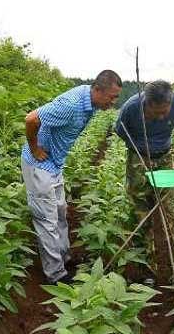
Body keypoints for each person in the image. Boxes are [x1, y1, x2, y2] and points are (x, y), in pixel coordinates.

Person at [22, 70, 122, 285]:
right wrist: (35, 148)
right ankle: (56, 275)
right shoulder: (72, 103)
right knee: (46, 220)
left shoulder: (90, 102)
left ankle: (64, 257)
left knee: (60, 212)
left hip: (54, 164)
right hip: (40, 165)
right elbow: (31, 118)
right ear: (97, 90)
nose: (113, 102)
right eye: (111, 97)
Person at [114, 80, 174, 282]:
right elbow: (120, 131)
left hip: (164, 158)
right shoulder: (131, 108)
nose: (162, 116)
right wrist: (139, 151)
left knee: (169, 213)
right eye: (157, 112)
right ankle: (145, 269)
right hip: (138, 157)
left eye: (165, 111)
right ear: (147, 103)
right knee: (141, 213)